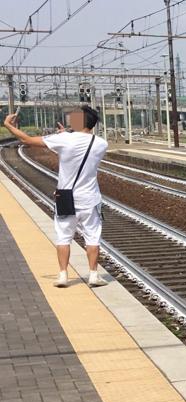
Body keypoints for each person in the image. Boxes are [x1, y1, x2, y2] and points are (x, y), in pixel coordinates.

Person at [4, 106, 109, 288]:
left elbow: (27, 139)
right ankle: (93, 275)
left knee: (63, 237)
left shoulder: (63, 140)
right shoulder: (101, 143)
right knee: (92, 237)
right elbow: (77, 152)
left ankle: (62, 276)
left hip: (65, 197)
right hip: (90, 198)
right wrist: (64, 136)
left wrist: (8, 125)